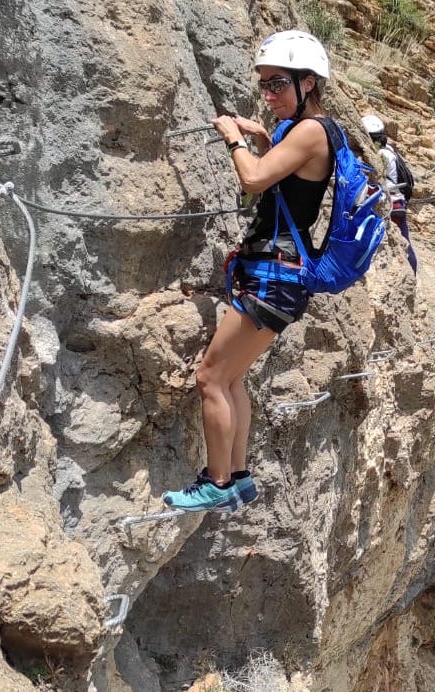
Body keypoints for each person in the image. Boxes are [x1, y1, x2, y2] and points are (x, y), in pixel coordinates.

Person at [161, 31, 334, 512]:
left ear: (308, 83)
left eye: (278, 83)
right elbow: (291, 168)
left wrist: (235, 140)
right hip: (280, 275)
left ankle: (215, 483)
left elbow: (256, 179)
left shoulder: (310, 131)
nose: (269, 95)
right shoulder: (320, 129)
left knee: (210, 379)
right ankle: (237, 477)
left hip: (271, 275)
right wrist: (260, 135)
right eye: (263, 85)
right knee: (232, 379)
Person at [362, 114, 417, 273]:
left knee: (393, 242)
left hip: (390, 204)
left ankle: (408, 273)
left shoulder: (380, 154)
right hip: (398, 203)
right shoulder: (389, 149)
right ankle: (411, 272)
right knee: (404, 241)